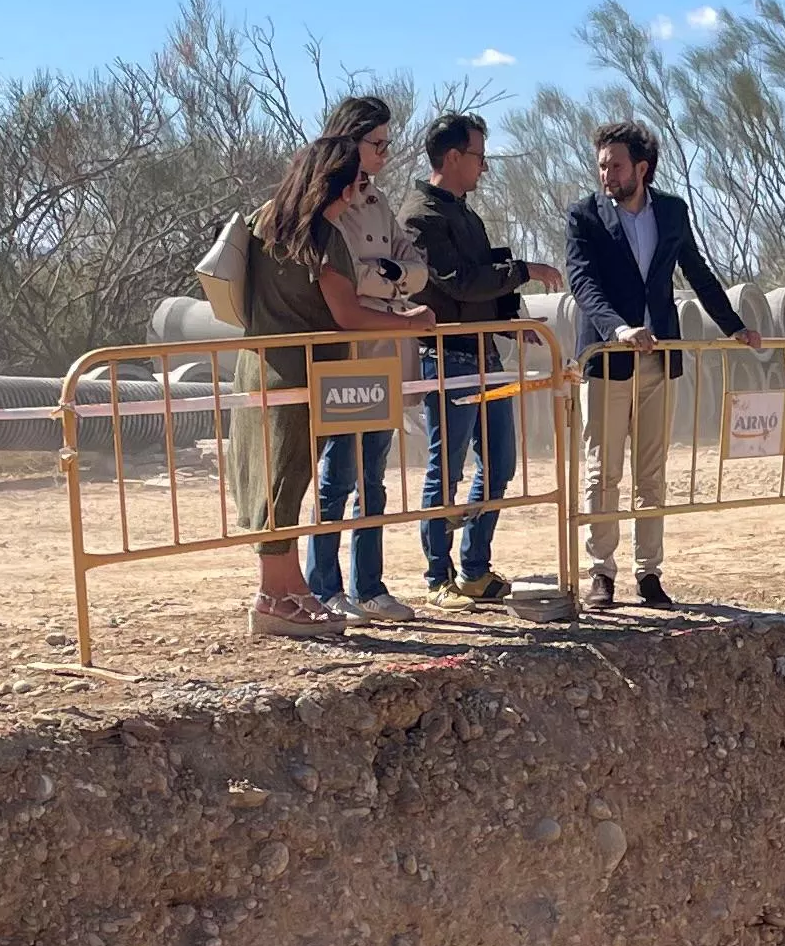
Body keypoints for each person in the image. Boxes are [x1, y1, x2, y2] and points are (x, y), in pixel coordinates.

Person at [196, 126, 409, 642]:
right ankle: (275, 598)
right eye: (355, 183)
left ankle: (288, 590)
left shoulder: (264, 221)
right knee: (285, 483)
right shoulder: (322, 237)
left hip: (259, 364)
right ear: (336, 186)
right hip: (301, 373)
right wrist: (411, 322)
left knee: (272, 482)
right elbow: (348, 313)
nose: (361, 193)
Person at [560, 120, 758, 611]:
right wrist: (618, 329)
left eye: (616, 165)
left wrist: (733, 326)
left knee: (652, 475)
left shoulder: (671, 212)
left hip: (660, 361)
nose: (606, 173)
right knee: (601, 473)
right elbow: (583, 284)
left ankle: (649, 574)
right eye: (602, 164)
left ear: (641, 168)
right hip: (607, 361)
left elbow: (698, 273)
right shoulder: (583, 216)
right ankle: (600, 574)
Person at [399, 111, 559, 605]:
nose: (484, 168)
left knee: (499, 462)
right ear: (453, 157)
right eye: (479, 157)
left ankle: (475, 568)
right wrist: (524, 270)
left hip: (485, 353)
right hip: (447, 356)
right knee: (445, 470)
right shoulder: (420, 217)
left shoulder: (464, 212)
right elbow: (460, 282)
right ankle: (437, 576)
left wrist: (512, 317)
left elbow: (481, 274)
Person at [303, 98, 431, 621]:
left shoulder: (378, 201)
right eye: (376, 143)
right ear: (350, 141)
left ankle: (370, 585)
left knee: (374, 475)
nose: (383, 153)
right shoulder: (324, 204)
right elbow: (344, 279)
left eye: (386, 143)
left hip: (384, 351)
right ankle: (323, 587)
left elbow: (418, 267)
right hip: (345, 349)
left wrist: (392, 275)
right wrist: (387, 276)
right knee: (337, 476)